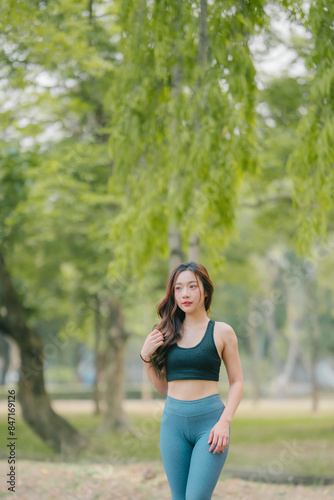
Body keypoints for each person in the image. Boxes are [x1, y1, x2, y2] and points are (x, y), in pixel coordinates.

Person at [140, 261, 243, 500]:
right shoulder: (165, 333)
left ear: (205, 291)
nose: (184, 294)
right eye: (178, 288)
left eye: (192, 287)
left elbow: (237, 382)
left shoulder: (222, 332)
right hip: (172, 425)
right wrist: (146, 357)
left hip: (210, 425)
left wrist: (224, 422)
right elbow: (161, 387)